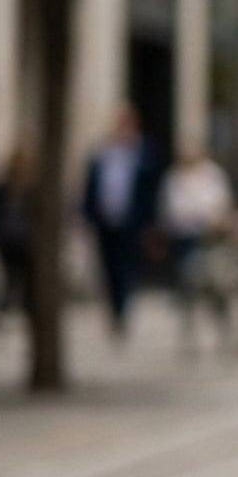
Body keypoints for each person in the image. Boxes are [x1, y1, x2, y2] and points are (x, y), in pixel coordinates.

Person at [81, 103, 162, 339]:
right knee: (108, 268)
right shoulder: (104, 152)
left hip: (131, 222)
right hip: (105, 220)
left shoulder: (144, 152)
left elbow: (151, 190)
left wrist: (150, 222)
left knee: (126, 267)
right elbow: (92, 186)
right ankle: (114, 310)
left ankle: (122, 310)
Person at [160, 143, 235, 341]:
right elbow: (173, 211)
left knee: (217, 284)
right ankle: (188, 331)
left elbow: (221, 206)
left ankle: (221, 322)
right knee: (188, 286)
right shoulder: (175, 178)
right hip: (185, 240)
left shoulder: (212, 175)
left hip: (212, 240)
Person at [0, 145, 39, 325]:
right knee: (10, 277)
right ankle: (6, 310)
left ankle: (20, 309)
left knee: (20, 278)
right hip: (7, 241)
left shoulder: (31, 190)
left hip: (23, 241)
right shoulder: (1, 189)